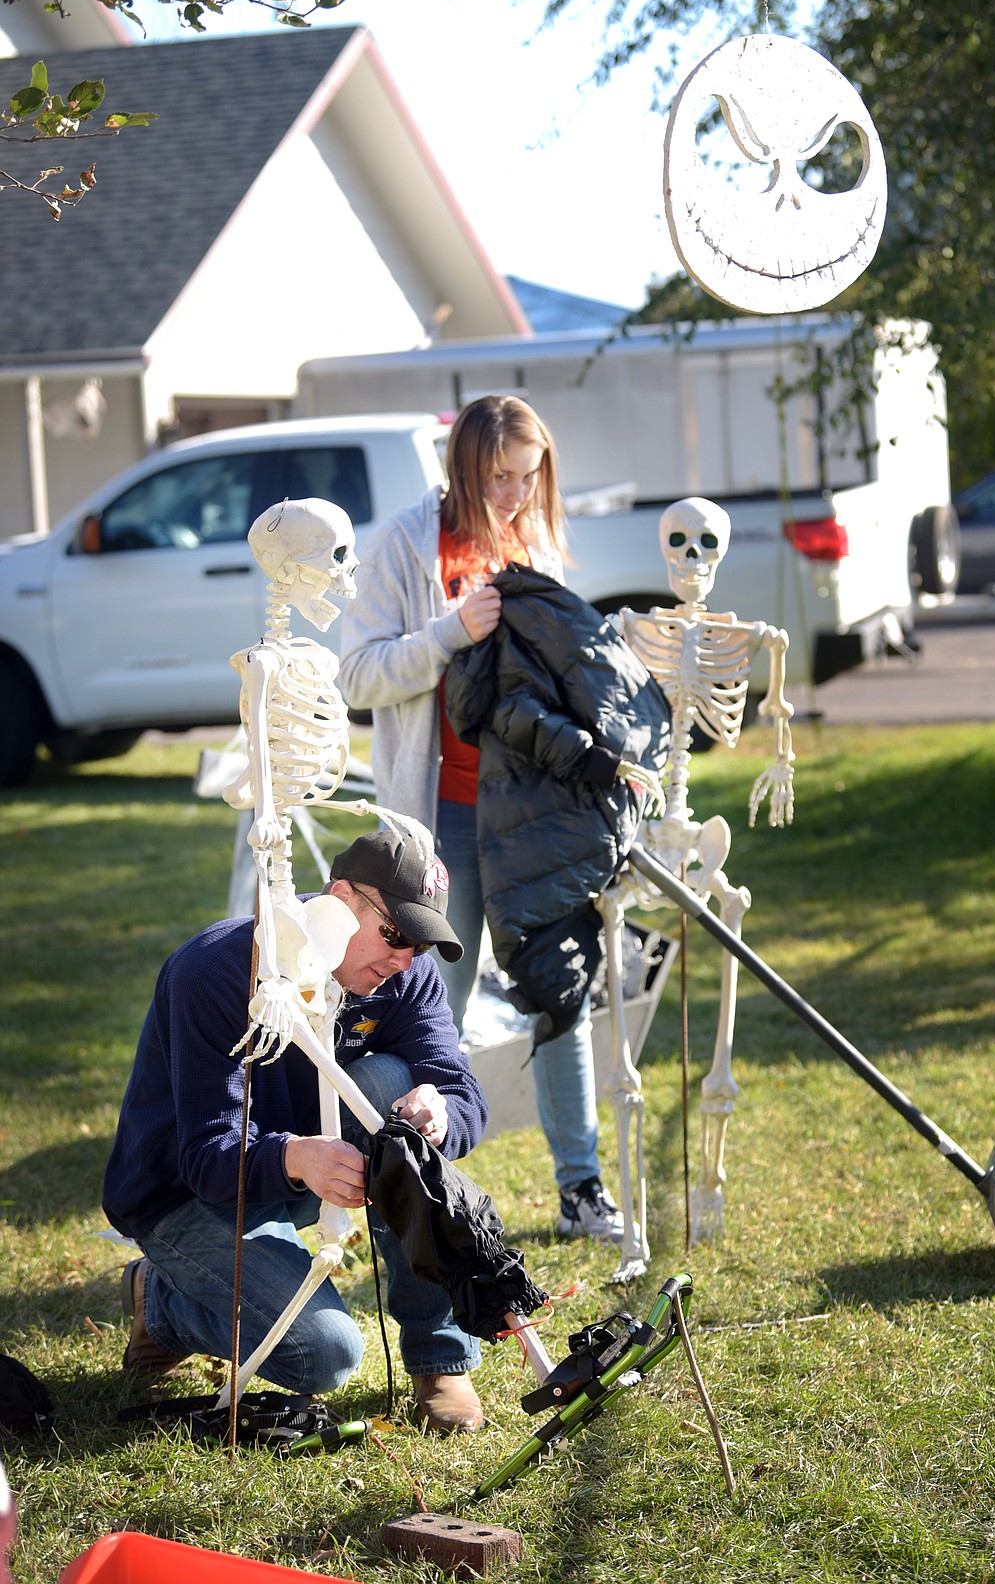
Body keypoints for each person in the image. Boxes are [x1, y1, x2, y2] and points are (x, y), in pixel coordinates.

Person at [339, 394, 626, 1242]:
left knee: (558, 996)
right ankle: (421, 1195)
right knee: (437, 1007)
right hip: (444, 818)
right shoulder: (404, 541)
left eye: (528, 478)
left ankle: (582, 1192)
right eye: (500, 477)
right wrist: (447, 632)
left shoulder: (535, 539)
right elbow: (357, 677)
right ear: (464, 466)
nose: (513, 495)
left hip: (533, 818)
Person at [102, 817, 489, 1435]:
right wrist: (294, 1159)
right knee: (327, 1353)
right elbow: (205, 1155)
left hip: (298, 1167)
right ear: (341, 903)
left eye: (420, 943)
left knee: (396, 1089)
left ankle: (438, 1358)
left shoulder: (406, 975)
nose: (405, 958)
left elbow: (462, 1090)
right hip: (185, 1194)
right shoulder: (214, 971)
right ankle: (161, 1300)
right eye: (395, 933)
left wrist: (442, 1110)